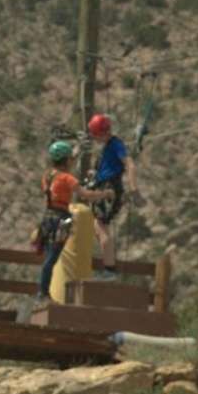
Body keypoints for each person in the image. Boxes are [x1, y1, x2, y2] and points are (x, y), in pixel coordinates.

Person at [32, 140, 111, 302]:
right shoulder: (67, 179)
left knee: (49, 256)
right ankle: (43, 293)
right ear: (66, 160)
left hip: (47, 218)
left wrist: (76, 152)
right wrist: (105, 194)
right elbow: (86, 195)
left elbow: (67, 164)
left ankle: (43, 291)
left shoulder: (48, 176)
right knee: (52, 258)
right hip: (60, 220)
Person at [85, 113, 135, 280]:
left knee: (100, 226)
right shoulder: (108, 147)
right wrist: (95, 173)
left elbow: (128, 163)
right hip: (105, 184)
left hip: (110, 188)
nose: (94, 138)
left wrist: (133, 187)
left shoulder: (116, 144)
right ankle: (109, 265)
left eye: (95, 134)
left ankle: (110, 268)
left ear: (100, 133)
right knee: (97, 226)